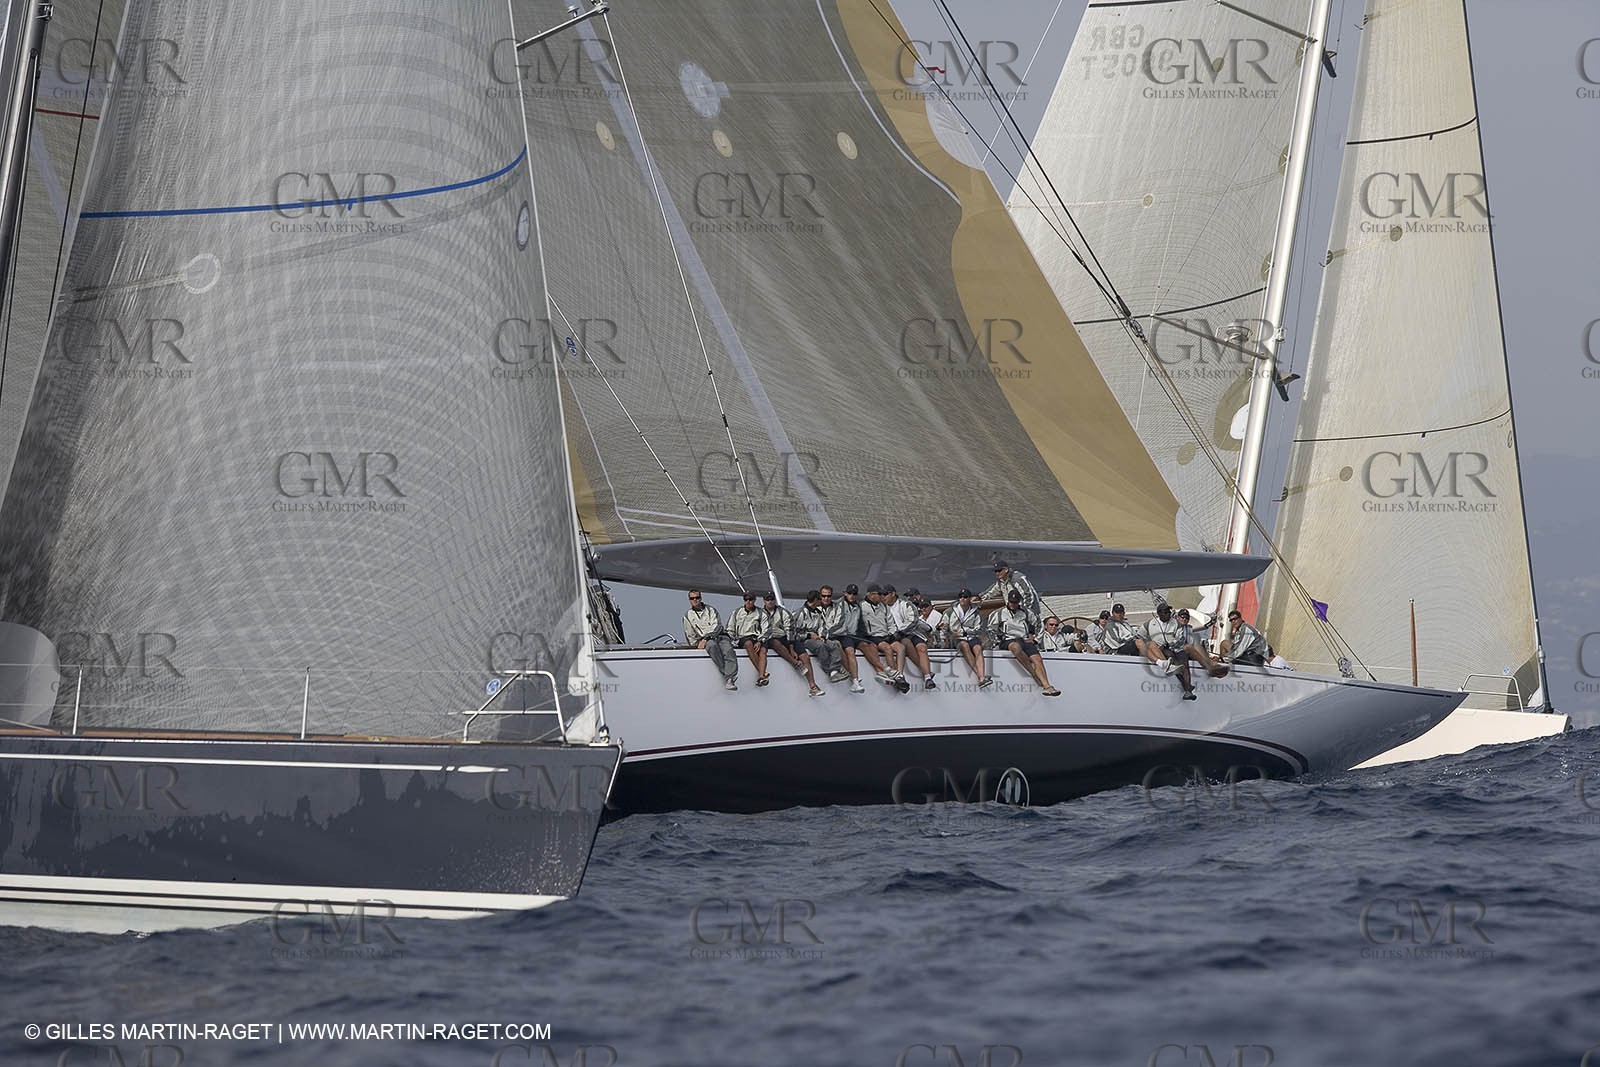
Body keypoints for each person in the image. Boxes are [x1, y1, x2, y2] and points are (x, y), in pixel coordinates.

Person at [989, 589, 1061, 696]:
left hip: (1024, 638)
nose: (1013, 604)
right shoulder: (999, 613)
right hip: (1008, 639)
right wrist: (996, 642)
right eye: (1011, 602)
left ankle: (1047, 686)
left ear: (1019, 601)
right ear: (1008, 601)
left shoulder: (1027, 612)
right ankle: (1033, 673)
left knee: (1037, 658)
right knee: (1015, 647)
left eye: (1015, 602)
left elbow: (1039, 624)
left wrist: (1036, 640)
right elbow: (991, 629)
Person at [762, 592, 816, 692]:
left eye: (772, 599)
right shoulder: (759, 614)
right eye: (767, 600)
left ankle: (813, 685)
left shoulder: (783, 612)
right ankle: (796, 663)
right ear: (764, 601)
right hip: (771, 639)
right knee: (774, 643)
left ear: (775, 600)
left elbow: (790, 629)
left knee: (805, 656)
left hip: (787, 637)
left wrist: (791, 648)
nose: (770, 602)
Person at [684, 589, 737, 690]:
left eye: (697, 597)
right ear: (689, 600)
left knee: (728, 649)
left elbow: (717, 626)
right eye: (692, 598)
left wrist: (707, 637)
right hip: (706, 641)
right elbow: (689, 633)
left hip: (719, 635)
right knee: (712, 646)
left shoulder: (711, 610)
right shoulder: (688, 615)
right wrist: (696, 645)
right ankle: (728, 676)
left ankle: (730, 678)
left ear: (701, 598)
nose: (695, 600)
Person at [860, 584, 908, 692]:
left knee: (901, 647)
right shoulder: (862, 607)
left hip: (886, 635)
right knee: (888, 648)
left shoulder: (884, 606)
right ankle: (895, 675)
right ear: (871, 595)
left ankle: (900, 674)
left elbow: (891, 623)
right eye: (879, 594)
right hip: (873, 636)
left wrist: (891, 634)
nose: (882, 596)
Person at [793, 590, 837, 696]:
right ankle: (828, 670)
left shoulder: (818, 613)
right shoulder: (799, 613)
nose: (823, 600)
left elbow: (822, 626)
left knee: (835, 644)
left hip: (816, 638)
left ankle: (837, 668)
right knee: (820, 646)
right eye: (820, 598)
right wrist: (809, 635)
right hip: (803, 640)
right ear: (816, 600)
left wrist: (821, 636)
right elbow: (793, 632)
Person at [946, 588, 991, 689]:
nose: (962, 599)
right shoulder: (950, 611)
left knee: (978, 648)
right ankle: (981, 677)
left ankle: (981, 677)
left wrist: (964, 632)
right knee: (964, 645)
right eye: (960, 597)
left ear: (970, 599)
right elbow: (944, 625)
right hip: (957, 639)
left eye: (965, 597)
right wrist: (947, 634)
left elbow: (979, 629)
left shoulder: (976, 612)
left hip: (970, 636)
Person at [826, 584, 867, 693]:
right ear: (845, 593)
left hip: (847, 635)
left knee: (850, 651)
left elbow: (858, 624)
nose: (852, 596)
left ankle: (855, 681)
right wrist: (827, 633)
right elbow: (837, 623)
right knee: (838, 647)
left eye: (854, 594)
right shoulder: (839, 604)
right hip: (834, 634)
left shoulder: (857, 607)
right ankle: (850, 675)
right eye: (850, 593)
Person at [980, 560, 1042, 625]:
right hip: (1013, 614)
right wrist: (978, 598)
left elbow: (1029, 596)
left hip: (1028, 615)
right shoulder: (1001, 582)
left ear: (1006, 570)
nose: (997, 573)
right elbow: (990, 592)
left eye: (999, 570)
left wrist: (1024, 613)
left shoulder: (1018, 578)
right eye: (995, 571)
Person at [898, 594, 940, 690]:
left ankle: (928, 678)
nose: (916, 607)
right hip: (903, 635)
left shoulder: (918, 617)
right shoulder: (901, 611)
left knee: (922, 647)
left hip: (915, 635)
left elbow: (928, 628)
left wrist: (929, 630)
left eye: (917, 605)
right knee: (907, 643)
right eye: (913, 604)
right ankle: (926, 672)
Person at [729, 591, 769, 686]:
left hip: (757, 637)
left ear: (754, 600)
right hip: (743, 637)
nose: (748, 601)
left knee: (763, 651)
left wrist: (760, 640)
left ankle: (761, 677)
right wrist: (732, 640)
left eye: (750, 599)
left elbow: (766, 629)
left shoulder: (761, 613)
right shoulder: (737, 612)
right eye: (746, 599)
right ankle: (762, 674)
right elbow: (730, 628)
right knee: (748, 644)